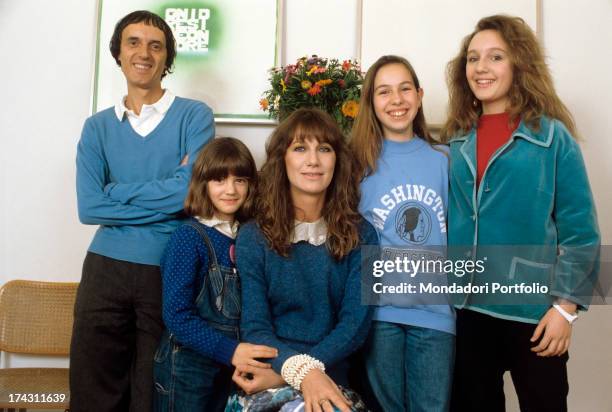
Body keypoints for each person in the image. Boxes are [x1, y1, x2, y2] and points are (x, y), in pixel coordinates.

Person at [441, 15, 600, 412]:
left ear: (519, 65)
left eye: (496, 57)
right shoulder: (455, 138)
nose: (481, 67)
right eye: (473, 58)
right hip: (465, 315)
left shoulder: (552, 138)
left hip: (534, 313)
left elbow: (581, 234)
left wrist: (565, 310)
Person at [72, 10, 214, 411]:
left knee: (155, 387)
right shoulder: (97, 127)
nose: (144, 53)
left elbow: (192, 194)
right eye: (133, 42)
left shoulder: (193, 115)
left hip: (167, 266)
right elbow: (89, 206)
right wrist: (168, 191)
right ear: (118, 52)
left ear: (167, 58)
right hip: (104, 268)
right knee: (93, 386)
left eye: (156, 45)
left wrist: (115, 192)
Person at [225, 108, 379, 412]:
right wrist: (299, 372)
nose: (313, 160)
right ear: (282, 159)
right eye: (300, 148)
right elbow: (256, 327)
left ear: (338, 160)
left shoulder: (364, 235)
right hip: (269, 374)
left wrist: (305, 374)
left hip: (331, 378)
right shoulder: (253, 236)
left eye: (324, 148)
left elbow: (355, 325)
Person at [350, 55, 455, 412]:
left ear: (420, 94)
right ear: (371, 103)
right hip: (380, 316)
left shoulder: (444, 159)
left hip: (436, 314)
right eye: (384, 92)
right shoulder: (356, 164)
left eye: (404, 88)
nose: (396, 100)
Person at [153, 138, 277, 411]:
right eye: (219, 180)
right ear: (203, 184)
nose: (230, 190)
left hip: (232, 367)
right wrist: (231, 351)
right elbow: (177, 315)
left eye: (240, 180)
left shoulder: (249, 236)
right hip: (186, 368)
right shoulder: (189, 237)